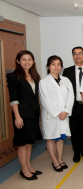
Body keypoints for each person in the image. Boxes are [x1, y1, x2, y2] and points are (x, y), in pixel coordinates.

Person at [6, 50, 42, 180]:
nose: (27, 62)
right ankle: (24, 170)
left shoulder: (34, 76)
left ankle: (28, 166)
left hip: (32, 114)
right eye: (24, 59)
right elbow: (13, 99)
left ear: (33, 61)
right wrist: (17, 116)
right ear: (18, 61)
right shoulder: (13, 76)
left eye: (29, 59)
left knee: (29, 142)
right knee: (22, 143)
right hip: (21, 115)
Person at [39, 55, 74, 172]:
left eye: (58, 64)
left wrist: (66, 111)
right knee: (51, 138)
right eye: (53, 64)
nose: (56, 67)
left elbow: (71, 96)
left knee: (60, 138)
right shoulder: (44, 82)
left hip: (64, 114)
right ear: (48, 66)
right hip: (51, 115)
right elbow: (45, 100)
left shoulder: (66, 80)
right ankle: (54, 160)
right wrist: (58, 112)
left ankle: (60, 158)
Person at [62, 47, 83, 163]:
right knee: (74, 130)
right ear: (72, 56)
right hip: (73, 105)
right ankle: (76, 152)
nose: (77, 56)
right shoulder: (67, 71)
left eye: (80, 53)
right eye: (75, 54)